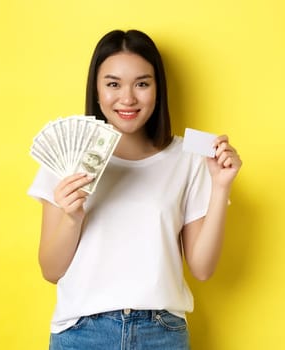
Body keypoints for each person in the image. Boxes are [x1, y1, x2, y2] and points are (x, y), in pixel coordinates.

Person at [26, 29, 242, 350]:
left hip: (161, 333)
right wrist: (72, 217)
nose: (127, 98)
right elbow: (51, 270)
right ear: (97, 91)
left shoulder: (188, 159)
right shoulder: (66, 157)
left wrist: (220, 187)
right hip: (82, 333)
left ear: (158, 90)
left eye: (142, 83)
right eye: (113, 84)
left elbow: (202, 268)